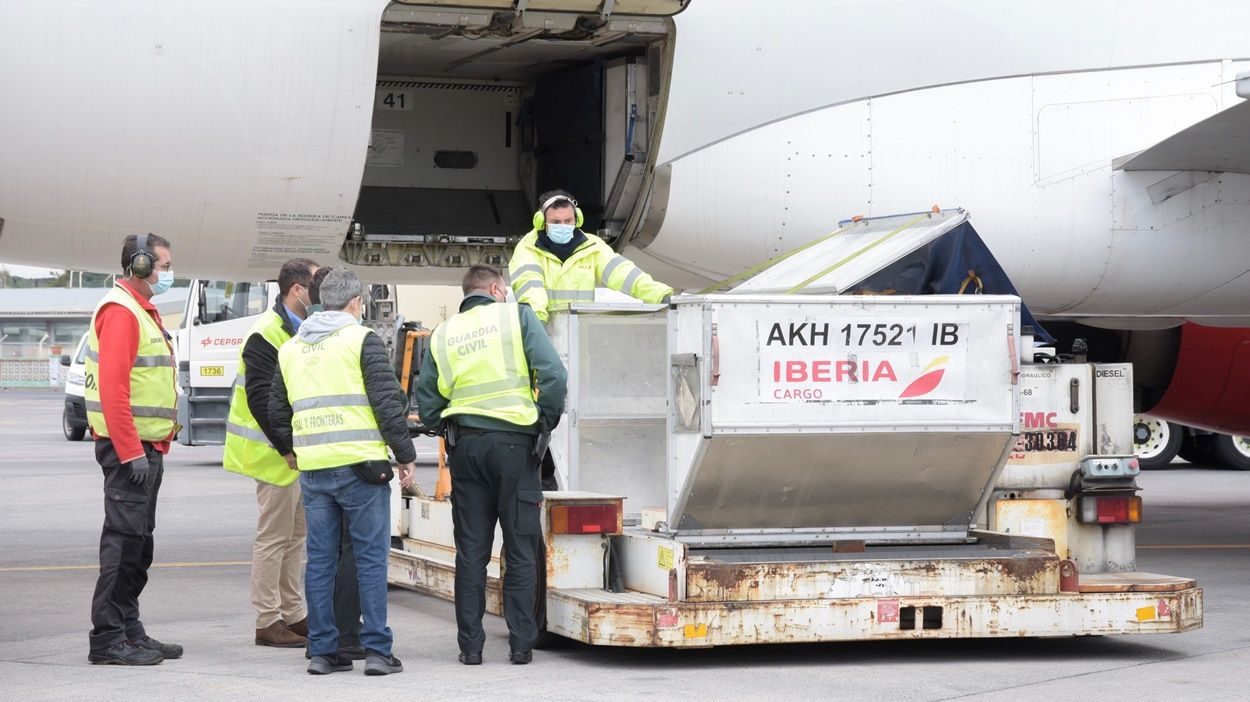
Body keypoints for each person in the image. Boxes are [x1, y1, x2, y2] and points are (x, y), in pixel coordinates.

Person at [416, 264, 567, 666]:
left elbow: (427, 399)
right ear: (498, 289)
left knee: (471, 553)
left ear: (467, 293)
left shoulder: (444, 332)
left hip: (465, 449)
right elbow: (552, 374)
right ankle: (520, 646)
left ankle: (471, 648)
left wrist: (441, 423)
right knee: (519, 550)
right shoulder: (516, 316)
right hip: (516, 448)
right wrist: (544, 420)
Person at [268, 268, 416, 676]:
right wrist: (405, 455)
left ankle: (322, 651)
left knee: (319, 562)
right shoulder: (361, 340)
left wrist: (291, 450)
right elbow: (388, 404)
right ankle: (377, 653)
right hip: (361, 469)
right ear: (355, 303)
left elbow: (276, 409)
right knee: (369, 561)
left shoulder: (293, 347)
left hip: (314, 471)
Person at [85, 233, 182, 666]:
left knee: (139, 547)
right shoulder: (123, 312)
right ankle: (108, 639)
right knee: (123, 546)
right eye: (162, 266)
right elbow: (113, 389)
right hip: (131, 451)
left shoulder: (142, 310)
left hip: (146, 446)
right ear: (139, 266)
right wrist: (130, 452)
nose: (167, 273)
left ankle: (128, 628)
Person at [223, 258, 318, 648]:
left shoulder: (299, 330)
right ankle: (267, 620)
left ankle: (293, 614)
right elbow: (262, 401)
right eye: (315, 284)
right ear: (297, 289)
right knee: (274, 538)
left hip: (295, 454)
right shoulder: (266, 333)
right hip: (274, 454)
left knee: (295, 538)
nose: (320, 291)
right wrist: (286, 449)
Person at [507, 189, 673, 323]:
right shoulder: (528, 249)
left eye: (568, 220)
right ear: (541, 222)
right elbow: (530, 288)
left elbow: (624, 274)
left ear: (577, 220)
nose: (563, 226)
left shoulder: (592, 246)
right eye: (556, 222)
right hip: (544, 332)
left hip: (580, 334)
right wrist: (537, 324)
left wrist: (660, 295)